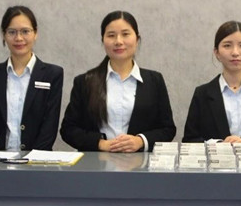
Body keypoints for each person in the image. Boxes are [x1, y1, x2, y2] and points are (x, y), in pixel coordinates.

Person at [60, 10, 176, 152]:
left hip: (141, 162)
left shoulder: (154, 81)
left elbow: (167, 129)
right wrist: (100, 144)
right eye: (111, 35)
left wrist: (140, 141)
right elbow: (68, 129)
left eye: (125, 34)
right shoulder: (85, 82)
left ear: (137, 39)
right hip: (95, 162)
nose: (118, 41)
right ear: (103, 40)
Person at [0, 6, 64, 151]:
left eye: (25, 31)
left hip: (37, 159)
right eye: (12, 32)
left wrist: (33, 159)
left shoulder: (52, 74)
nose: (19, 38)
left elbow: (49, 126)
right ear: (3, 35)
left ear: (35, 33)